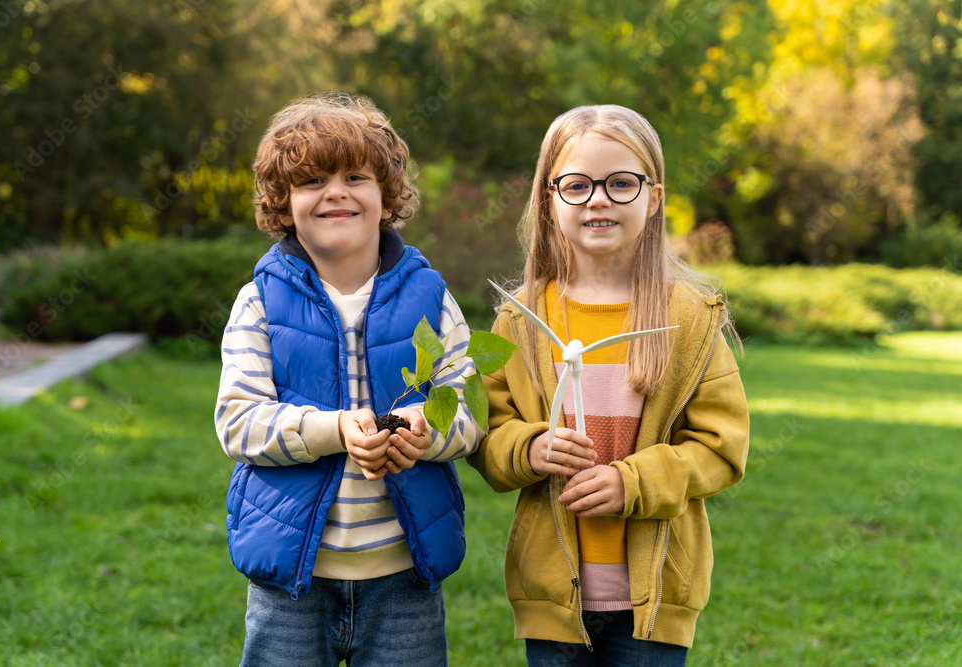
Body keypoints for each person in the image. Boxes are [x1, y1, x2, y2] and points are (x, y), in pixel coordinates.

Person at [468, 104, 750, 666]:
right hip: (552, 595)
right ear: (548, 200)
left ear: (655, 196)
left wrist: (634, 483)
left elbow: (722, 449)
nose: (598, 199)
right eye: (576, 185)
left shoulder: (689, 318)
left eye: (621, 183)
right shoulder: (521, 320)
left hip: (654, 600)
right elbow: (486, 435)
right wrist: (529, 447)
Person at [215, 92, 480, 667]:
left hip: (404, 573)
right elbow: (238, 423)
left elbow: (470, 410)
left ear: (386, 198)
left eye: (355, 175)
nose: (335, 191)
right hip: (291, 578)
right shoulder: (259, 301)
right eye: (312, 180)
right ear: (283, 206)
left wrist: (425, 429)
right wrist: (335, 429)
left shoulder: (430, 299)